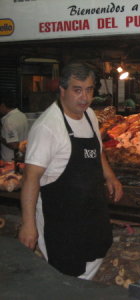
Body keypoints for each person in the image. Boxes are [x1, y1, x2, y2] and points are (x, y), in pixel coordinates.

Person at [18, 62, 123, 279]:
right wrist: (28, 225)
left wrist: (110, 176)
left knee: (94, 260)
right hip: (60, 218)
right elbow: (31, 177)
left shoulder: (90, 115)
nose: (84, 97)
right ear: (62, 90)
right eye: (77, 90)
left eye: (89, 89)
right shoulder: (48, 127)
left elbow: (98, 149)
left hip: (91, 211)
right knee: (66, 276)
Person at [0, 90, 29, 162]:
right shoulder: (22, 115)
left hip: (10, 160)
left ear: (3, 105)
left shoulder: (9, 121)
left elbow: (14, 145)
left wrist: (1, 138)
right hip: (22, 157)